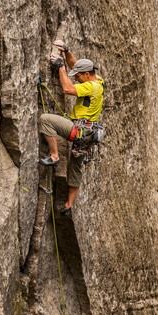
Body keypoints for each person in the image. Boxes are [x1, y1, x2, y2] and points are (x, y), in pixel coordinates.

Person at [39, 40, 104, 218]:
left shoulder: (91, 87)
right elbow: (76, 66)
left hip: (79, 132)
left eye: (78, 75)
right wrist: (67, 52)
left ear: (87, 74)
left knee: (46, 120)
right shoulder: (98, 80)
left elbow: (67, 89)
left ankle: (54, 156)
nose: (75, 77)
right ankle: (69, 205)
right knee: (75, 168)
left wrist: (61, 67)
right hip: (89, 137)